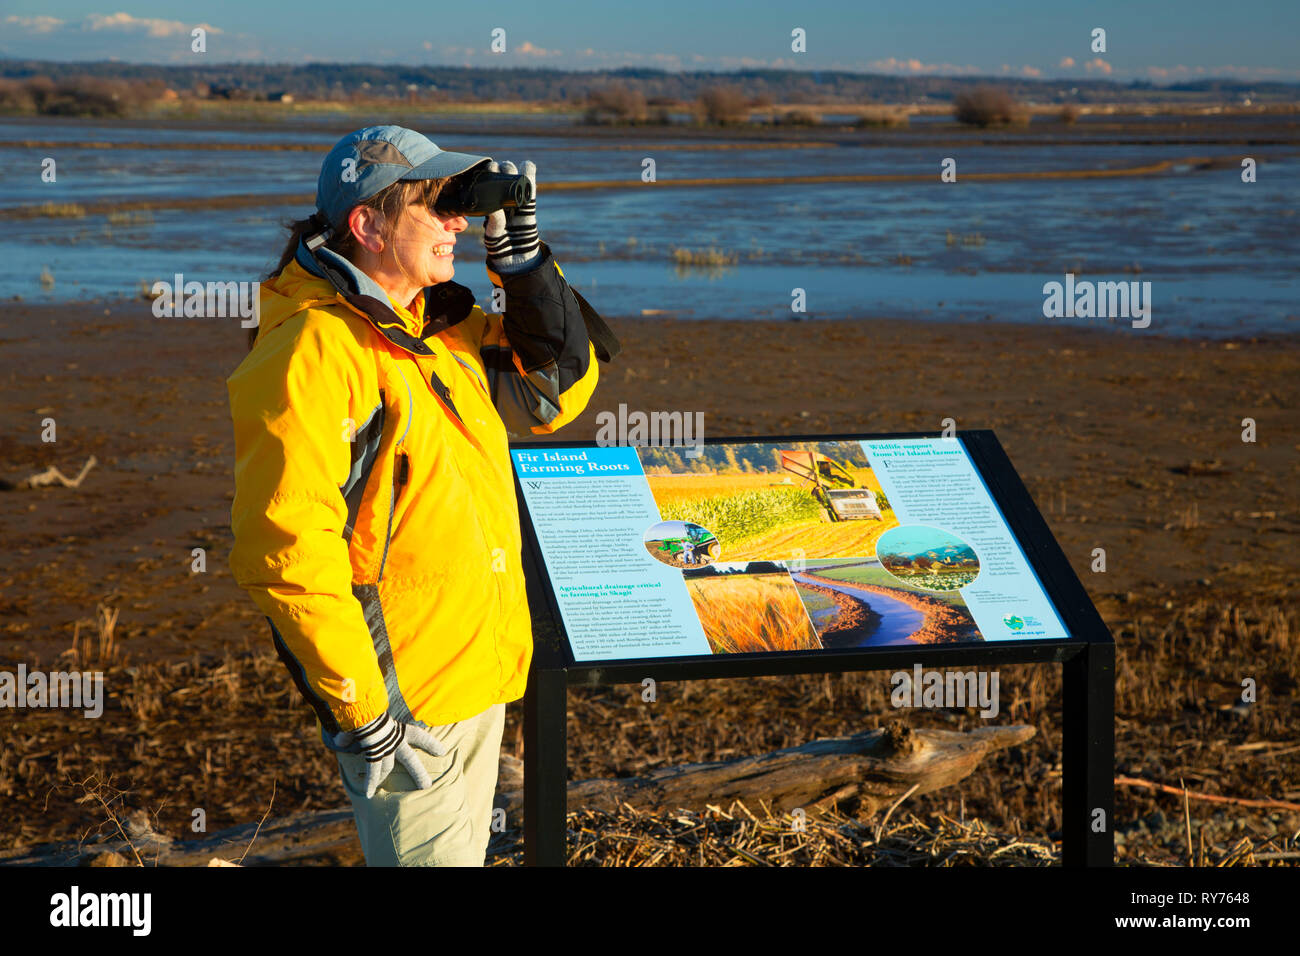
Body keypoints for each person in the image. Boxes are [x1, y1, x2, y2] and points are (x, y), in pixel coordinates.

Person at [226, 125, 615, 866]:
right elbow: (286, 550)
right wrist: (364, 714)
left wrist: (525, 266)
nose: (459, 223)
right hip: (409, 705)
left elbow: (557, 391)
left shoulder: (440, 328)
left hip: (478, 671)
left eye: (457, 203)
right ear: (366, 224)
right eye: (436, 205)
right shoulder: (313, 348)